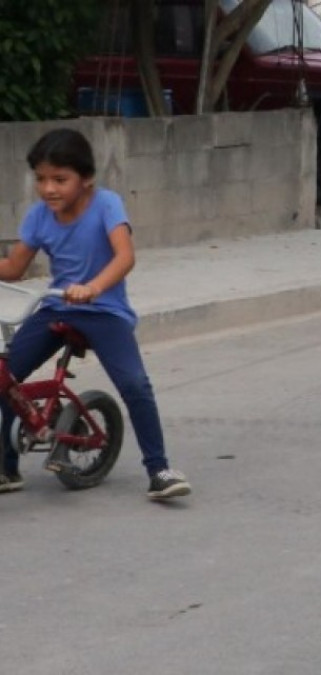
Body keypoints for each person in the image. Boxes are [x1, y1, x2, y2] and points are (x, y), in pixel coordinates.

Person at [0, 129, 191, 499]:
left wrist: (93, 288)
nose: (48, 189)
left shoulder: (107, 204)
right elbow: (14, 267)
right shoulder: (39, 216)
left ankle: (160, 469)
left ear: (85, 179)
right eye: (40, 179)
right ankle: (7, 469)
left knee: (135, 385)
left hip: (104, 311)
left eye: (59, 179)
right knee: (5, 378)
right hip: (57, 306)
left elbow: (125, 256)